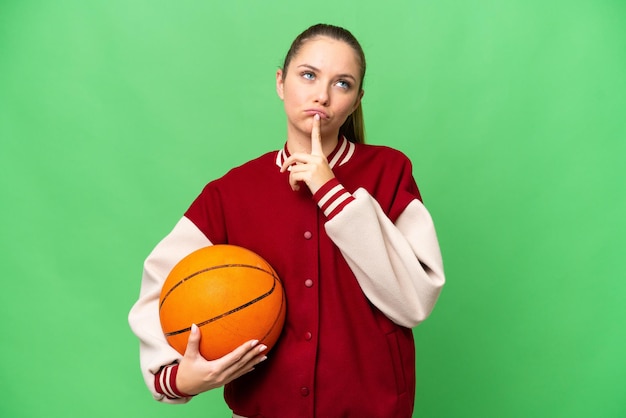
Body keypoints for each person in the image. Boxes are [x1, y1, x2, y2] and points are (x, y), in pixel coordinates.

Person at [129, 23, 445, 418]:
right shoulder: (231, 192)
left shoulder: (389, 170)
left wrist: (329, 190)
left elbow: (415, 300)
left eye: (342, 84)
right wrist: (177, 379)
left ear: (356, 99)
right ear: (281, 82)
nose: (322, 95)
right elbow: (161, 284)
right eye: (308, 75)